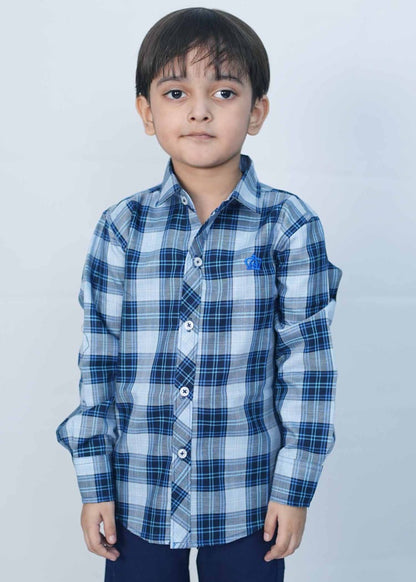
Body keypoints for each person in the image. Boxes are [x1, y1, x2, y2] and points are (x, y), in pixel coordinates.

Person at [55, 7, 343, 582]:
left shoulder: (288, 225)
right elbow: (98, 359)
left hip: (249, 496)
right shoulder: (122, 227)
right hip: (137, 494)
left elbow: (307, 365)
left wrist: (294, 488)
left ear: (256, 111)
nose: (200, 110)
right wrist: (94, 483)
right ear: (147, 112)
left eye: (225, 92)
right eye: (176, 92)